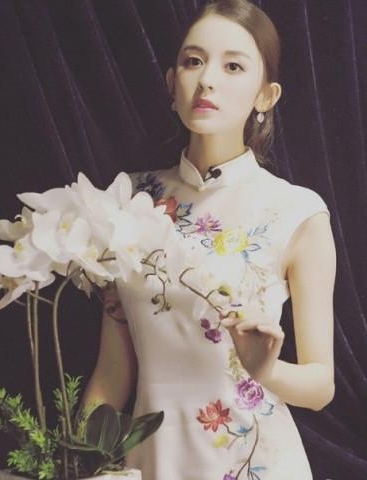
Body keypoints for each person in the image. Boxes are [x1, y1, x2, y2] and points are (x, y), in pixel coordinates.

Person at [79, 1, 336, 479]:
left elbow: (321, 386)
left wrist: (264, 369)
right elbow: (113, 374)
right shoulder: (128, 200)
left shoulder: (296, 212)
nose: (207, 80)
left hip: (255, 462)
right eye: (193, 61)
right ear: (171, 82)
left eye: (233, 66)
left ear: (266, 95)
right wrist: (73, 460)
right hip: (152, 459)